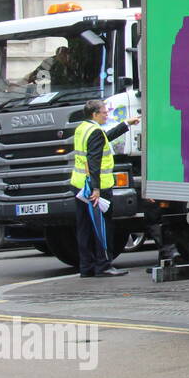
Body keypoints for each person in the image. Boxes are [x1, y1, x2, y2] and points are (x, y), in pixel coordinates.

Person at [71, 99, 140, 277]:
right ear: (94, 114)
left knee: (84, 227)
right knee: (102, 226)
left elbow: (103, 139)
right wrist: (96, 189)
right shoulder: (94, 131)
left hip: (79, 185)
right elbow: (94, 160)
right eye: (104, 112)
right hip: (96, 187)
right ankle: (103, 266)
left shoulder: (83, 128)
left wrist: (126, 124)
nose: (106, 115)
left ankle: (86, 268)